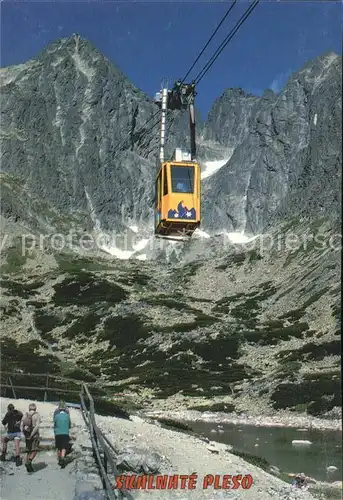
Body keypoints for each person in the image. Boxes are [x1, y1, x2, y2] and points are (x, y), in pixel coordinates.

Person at [20, 403, 41, 472]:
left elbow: (21, 425)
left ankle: (28, 466)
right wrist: (32, 434)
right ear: (35, 409)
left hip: (26, 435)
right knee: (35, 449)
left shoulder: (25, 414)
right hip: (34, 435)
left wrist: (24, 434)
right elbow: (37, 426)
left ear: (29, 408)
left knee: (28, 450)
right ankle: (29, 461)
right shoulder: (37, 415)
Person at [53, 401, 71, 468]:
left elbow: (55, 424)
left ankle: (60, 458)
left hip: (58, 433)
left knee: (59, 447)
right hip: (65, 433)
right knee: (64, 447)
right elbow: (69, 424)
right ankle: (63, 457)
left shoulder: (56, 416)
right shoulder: (67, 416)